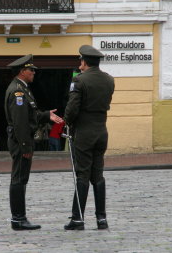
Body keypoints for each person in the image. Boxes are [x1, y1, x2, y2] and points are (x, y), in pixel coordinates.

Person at [4, 54, 63, 231]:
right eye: (31, 70)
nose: (34, 73)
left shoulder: (23, 88)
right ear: (23, 71)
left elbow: (30, 115)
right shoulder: (18, 91)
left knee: (21, 178)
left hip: (21, 139)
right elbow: (21, 122)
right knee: (19, 178)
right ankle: (18, 218)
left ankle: (19, 218)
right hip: (20, 140)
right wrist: (25, 147)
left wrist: (46, 115)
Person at [63, 45, 115, 230]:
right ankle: (102, 219)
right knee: (98, 175)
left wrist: (66, 122)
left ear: (84, 62)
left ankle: (78, 219)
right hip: (101, 131)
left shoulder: (79, 80)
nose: (80, 64)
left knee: (82, 175)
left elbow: (72, 108)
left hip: (84, 133)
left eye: (80, 61)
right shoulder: (109, 80)